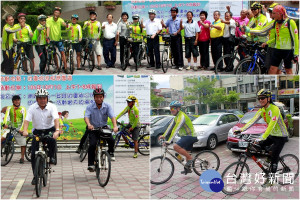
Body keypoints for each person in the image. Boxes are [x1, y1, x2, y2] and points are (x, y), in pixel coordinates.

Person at [235, 89, 289, 187]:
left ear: (268, 98)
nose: (261, 100)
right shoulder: (262, 110)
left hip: (281, 136)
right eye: (259, 98)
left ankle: (271, 180)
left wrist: (262, 137)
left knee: (274, 157)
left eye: (263, 98)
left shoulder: (274, 109)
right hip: (272, 135)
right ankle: (269, 158)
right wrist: (241, 130)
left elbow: (272, 125)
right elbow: (252, 121)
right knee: (258, 146)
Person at [22, 89, 60, 185]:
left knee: (52, 140)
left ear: (47, 98)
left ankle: (51, 156)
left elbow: (56, 119)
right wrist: (25, 130)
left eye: (44, 98)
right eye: (40, 98)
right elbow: (27, 120)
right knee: (34, 154)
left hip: (49, 129)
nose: (42, 100)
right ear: (37, 99)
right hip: (37, 131)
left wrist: (57, 130)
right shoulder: (32, 107)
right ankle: (35, 176)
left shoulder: (52, 107)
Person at [159, 101, 197, 174]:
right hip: (185, 136)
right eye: (170, 108)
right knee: (187, 154)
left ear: (178, 108)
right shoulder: (176, 117)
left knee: (176, 147)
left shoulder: (182, 116)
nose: (171, 110)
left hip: (190, 136)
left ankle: (189, 159)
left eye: (173, 108)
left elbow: (175, 129)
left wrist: (169, 141)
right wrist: (164, 135)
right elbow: (170, 127)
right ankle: (188, 168)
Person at [85, 88, 118, 172]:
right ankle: (91, 164)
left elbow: (112, 116)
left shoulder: (107, 106)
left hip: (104, 128)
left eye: (100, 97)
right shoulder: (90, 107)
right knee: (92, 145)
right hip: (94, 128)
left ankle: (111, 152)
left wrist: (115, 126)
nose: (98, 99)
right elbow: (86, 117)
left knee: (111, 140)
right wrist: (89, 125)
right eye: (96, 97)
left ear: (103, 97)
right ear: (94, 98)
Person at [244, 3, 279, 74]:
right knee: (262, 61)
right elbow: (249, 26)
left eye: (255, 9)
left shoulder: (263, 18)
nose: (253, 11)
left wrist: (249, 31)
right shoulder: (255, 18)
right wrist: (246, 32)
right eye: (252, 9)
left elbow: (260, 29)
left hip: (267, 42)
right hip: (260, 41)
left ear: (259, 9)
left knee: (271, 65)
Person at [268, 5, 299, 75]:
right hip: (277, 49)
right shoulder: (275, 22)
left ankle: (291, 85)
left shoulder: (290, 22)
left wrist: (296, 54)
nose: (272, 15)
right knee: (272, 69)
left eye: (273, 13)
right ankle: (272, 85)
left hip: (288, 50)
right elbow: (263, 30)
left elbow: (296, 39)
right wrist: (249, 30)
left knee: (288, 70)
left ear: (279, 14)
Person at [3, 95, 27, 164]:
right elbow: (6, 116)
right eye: (15, 100)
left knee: (23, 143)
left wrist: (21, 129)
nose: (17, 101)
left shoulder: (23, 108)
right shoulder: (9, 108)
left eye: (18, 100)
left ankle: (22, 157)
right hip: (11, 126)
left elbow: (24, 119)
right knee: (2, 138)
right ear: (13, 101)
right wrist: (5, 124)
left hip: (20, 127)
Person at [46, 7, 69, 74]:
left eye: (58, 13)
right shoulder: (49, 20)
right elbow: (48, 28)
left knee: (62, 53)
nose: (56, 14)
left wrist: (66, 25)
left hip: (59, 39)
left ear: (60, 14)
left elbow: (64, 24)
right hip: (51, 40)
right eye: (55, 12)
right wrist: (47, 37)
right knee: (54, 54)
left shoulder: (60, 20)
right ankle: (57, 67)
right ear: (53, 13)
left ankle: (65, 67)